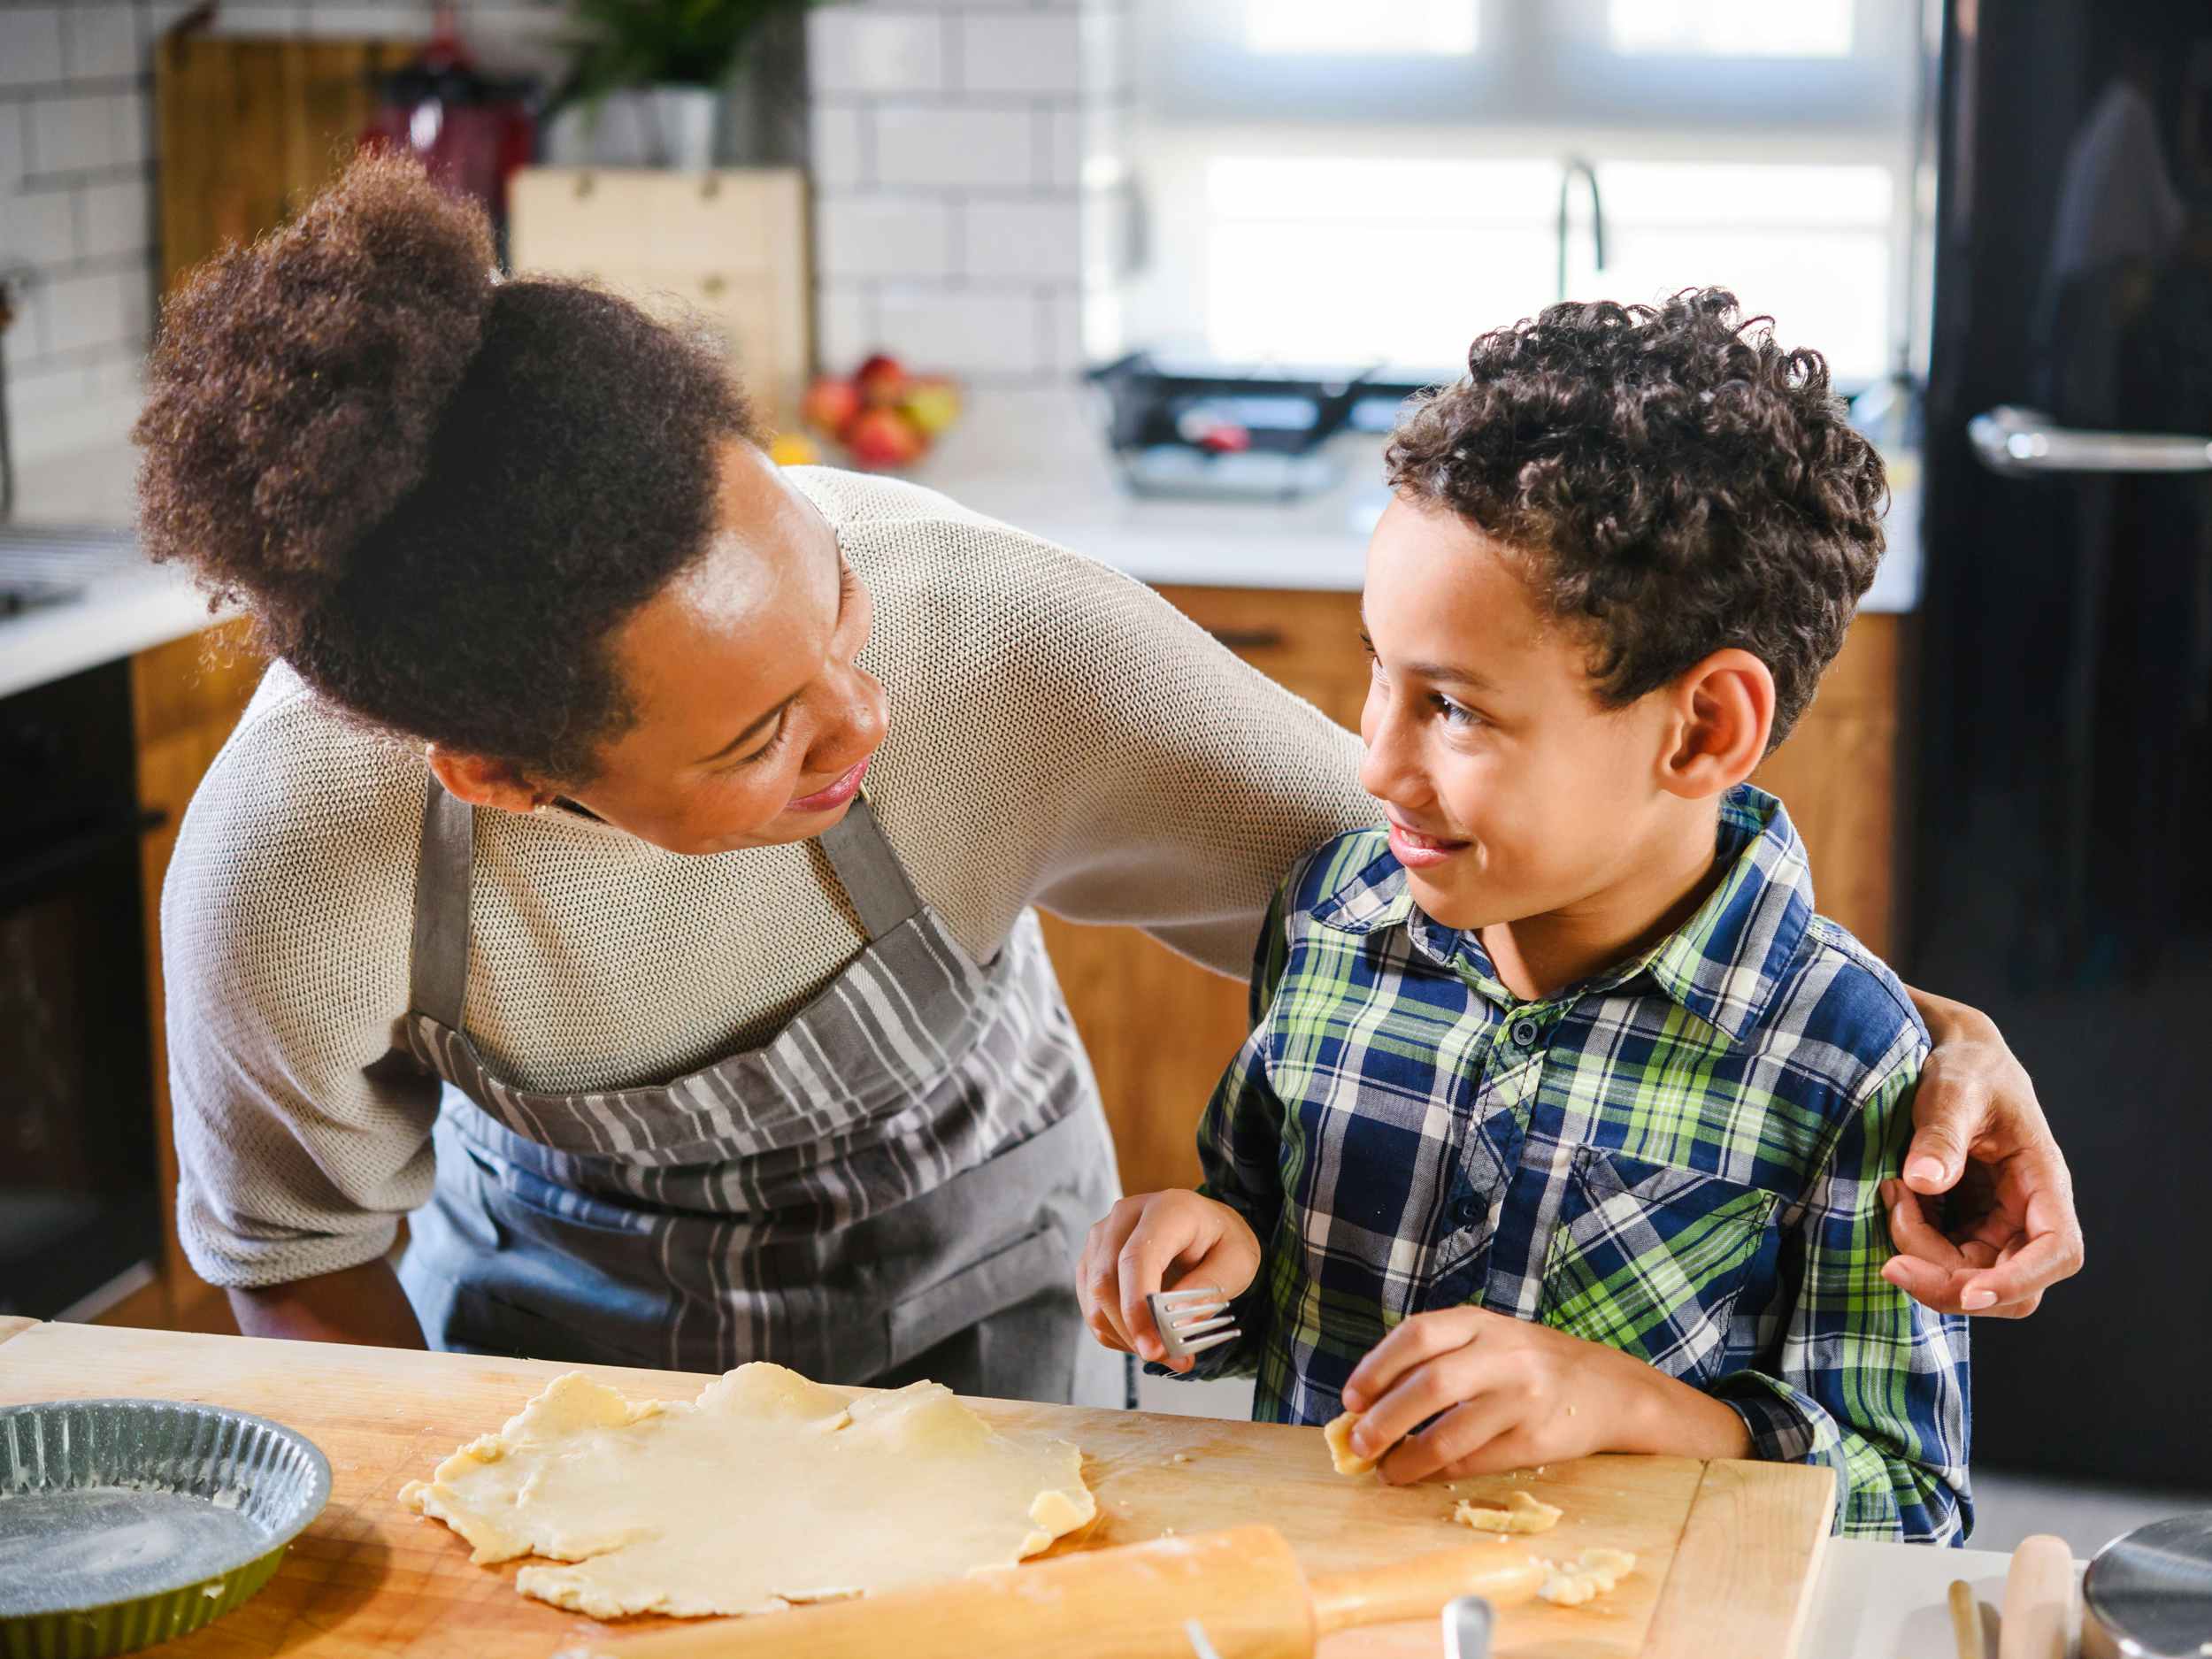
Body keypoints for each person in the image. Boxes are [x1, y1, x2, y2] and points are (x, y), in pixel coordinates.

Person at [135, 155, 2074, 1407]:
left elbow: (1511, 886)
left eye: (831, 600)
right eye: (759, 735)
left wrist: (1914, 1045)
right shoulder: (294, 863)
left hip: (1002, 1328)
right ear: (501, 769)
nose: (862, 716)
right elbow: (304, 1277)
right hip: (564, 1373)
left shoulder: (994, 637)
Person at [1079, 294, 1970, 1540]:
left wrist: (1634, 1408)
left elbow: (1909, 1502)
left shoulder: (1844, 1056)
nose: (1376, 765)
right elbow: (1261, 1274)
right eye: (1381, 670)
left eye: (1454, 709)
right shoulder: (1333, 920)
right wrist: (1201, 1265)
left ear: (1706, 728)